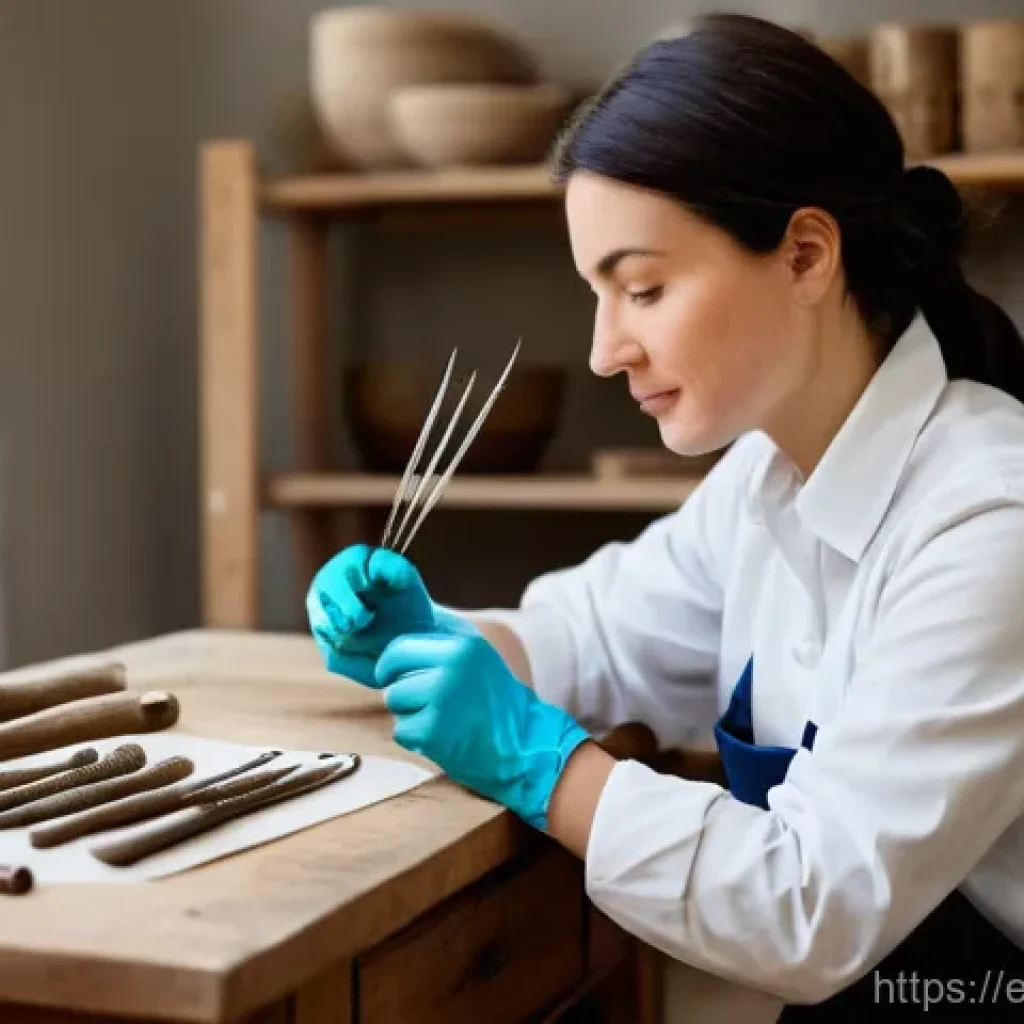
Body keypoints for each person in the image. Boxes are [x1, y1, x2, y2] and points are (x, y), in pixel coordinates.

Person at [305, 14, 1024, 1021]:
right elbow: (602, 637)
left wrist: (542, 765)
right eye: (599, 295)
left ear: (804, 254)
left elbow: (813, 905)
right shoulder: (764, 477)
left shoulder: (991, 519)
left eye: (641, 287)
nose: (606, 351)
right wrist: (427, 638)